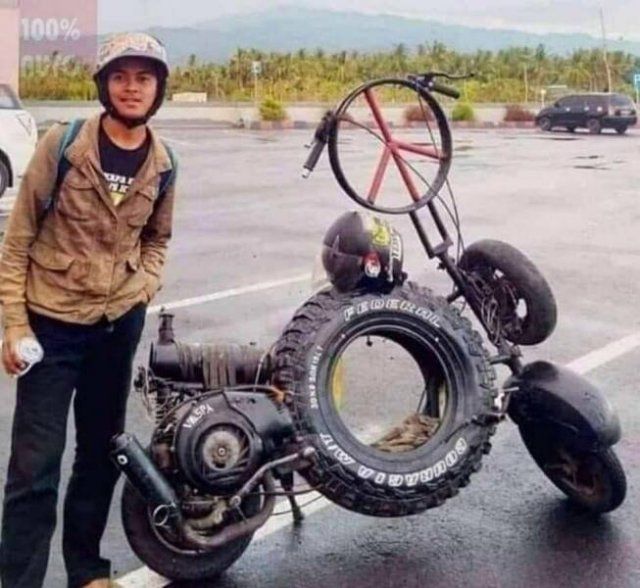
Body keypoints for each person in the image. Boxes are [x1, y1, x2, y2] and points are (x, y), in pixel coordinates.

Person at [0, 32, 177, 588]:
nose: (132, 88)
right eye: (120, 77)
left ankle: (86, 570)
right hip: (51, 326)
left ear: (158, 89)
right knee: (34, 466)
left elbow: (158, 238)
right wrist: (14, 324)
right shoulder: (64, 145)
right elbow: (17, 239)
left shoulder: (165, 163)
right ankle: (19, 580)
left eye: (143, 78)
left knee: (101, 456)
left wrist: (144, 285)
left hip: (116, 328)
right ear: (104, 85)